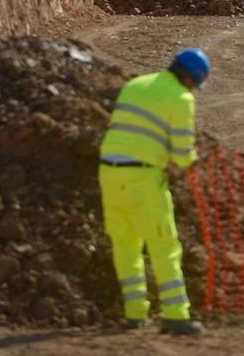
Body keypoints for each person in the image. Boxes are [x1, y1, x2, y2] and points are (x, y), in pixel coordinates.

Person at [99, 49, 211, 336]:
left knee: (125, 245)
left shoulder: (135, 84)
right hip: (142, 177)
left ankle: (134, 314)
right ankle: (175, 315)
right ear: (189, 78)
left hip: (109, 173)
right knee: (164, 245)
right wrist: (196, 159)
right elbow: (183, 153)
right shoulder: (181, 98)